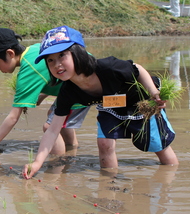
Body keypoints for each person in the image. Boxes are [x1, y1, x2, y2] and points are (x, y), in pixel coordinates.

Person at [22, 26, 178, 179]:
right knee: (104, 144)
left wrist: (154, 93)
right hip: (110, 104)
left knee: (157, 144)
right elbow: (52, 130)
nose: (57, 64)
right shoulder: (68, 91)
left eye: (62, 55)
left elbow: (137, 69)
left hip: (139, 101)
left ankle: (170, 178)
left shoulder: (108, 68)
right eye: (50, 60)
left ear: (78, 53)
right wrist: (36, 163)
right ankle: (110, 182)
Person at [0, 28, 89, 155]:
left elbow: (13, 117)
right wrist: (43, 96)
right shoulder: (34, 49)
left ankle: (58, 167)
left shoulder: (28, 70)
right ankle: (71, 150)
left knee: (50, 127)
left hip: (83, 87)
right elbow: (53, 78)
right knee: (55, 115)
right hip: (82, 83)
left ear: (10, 53)